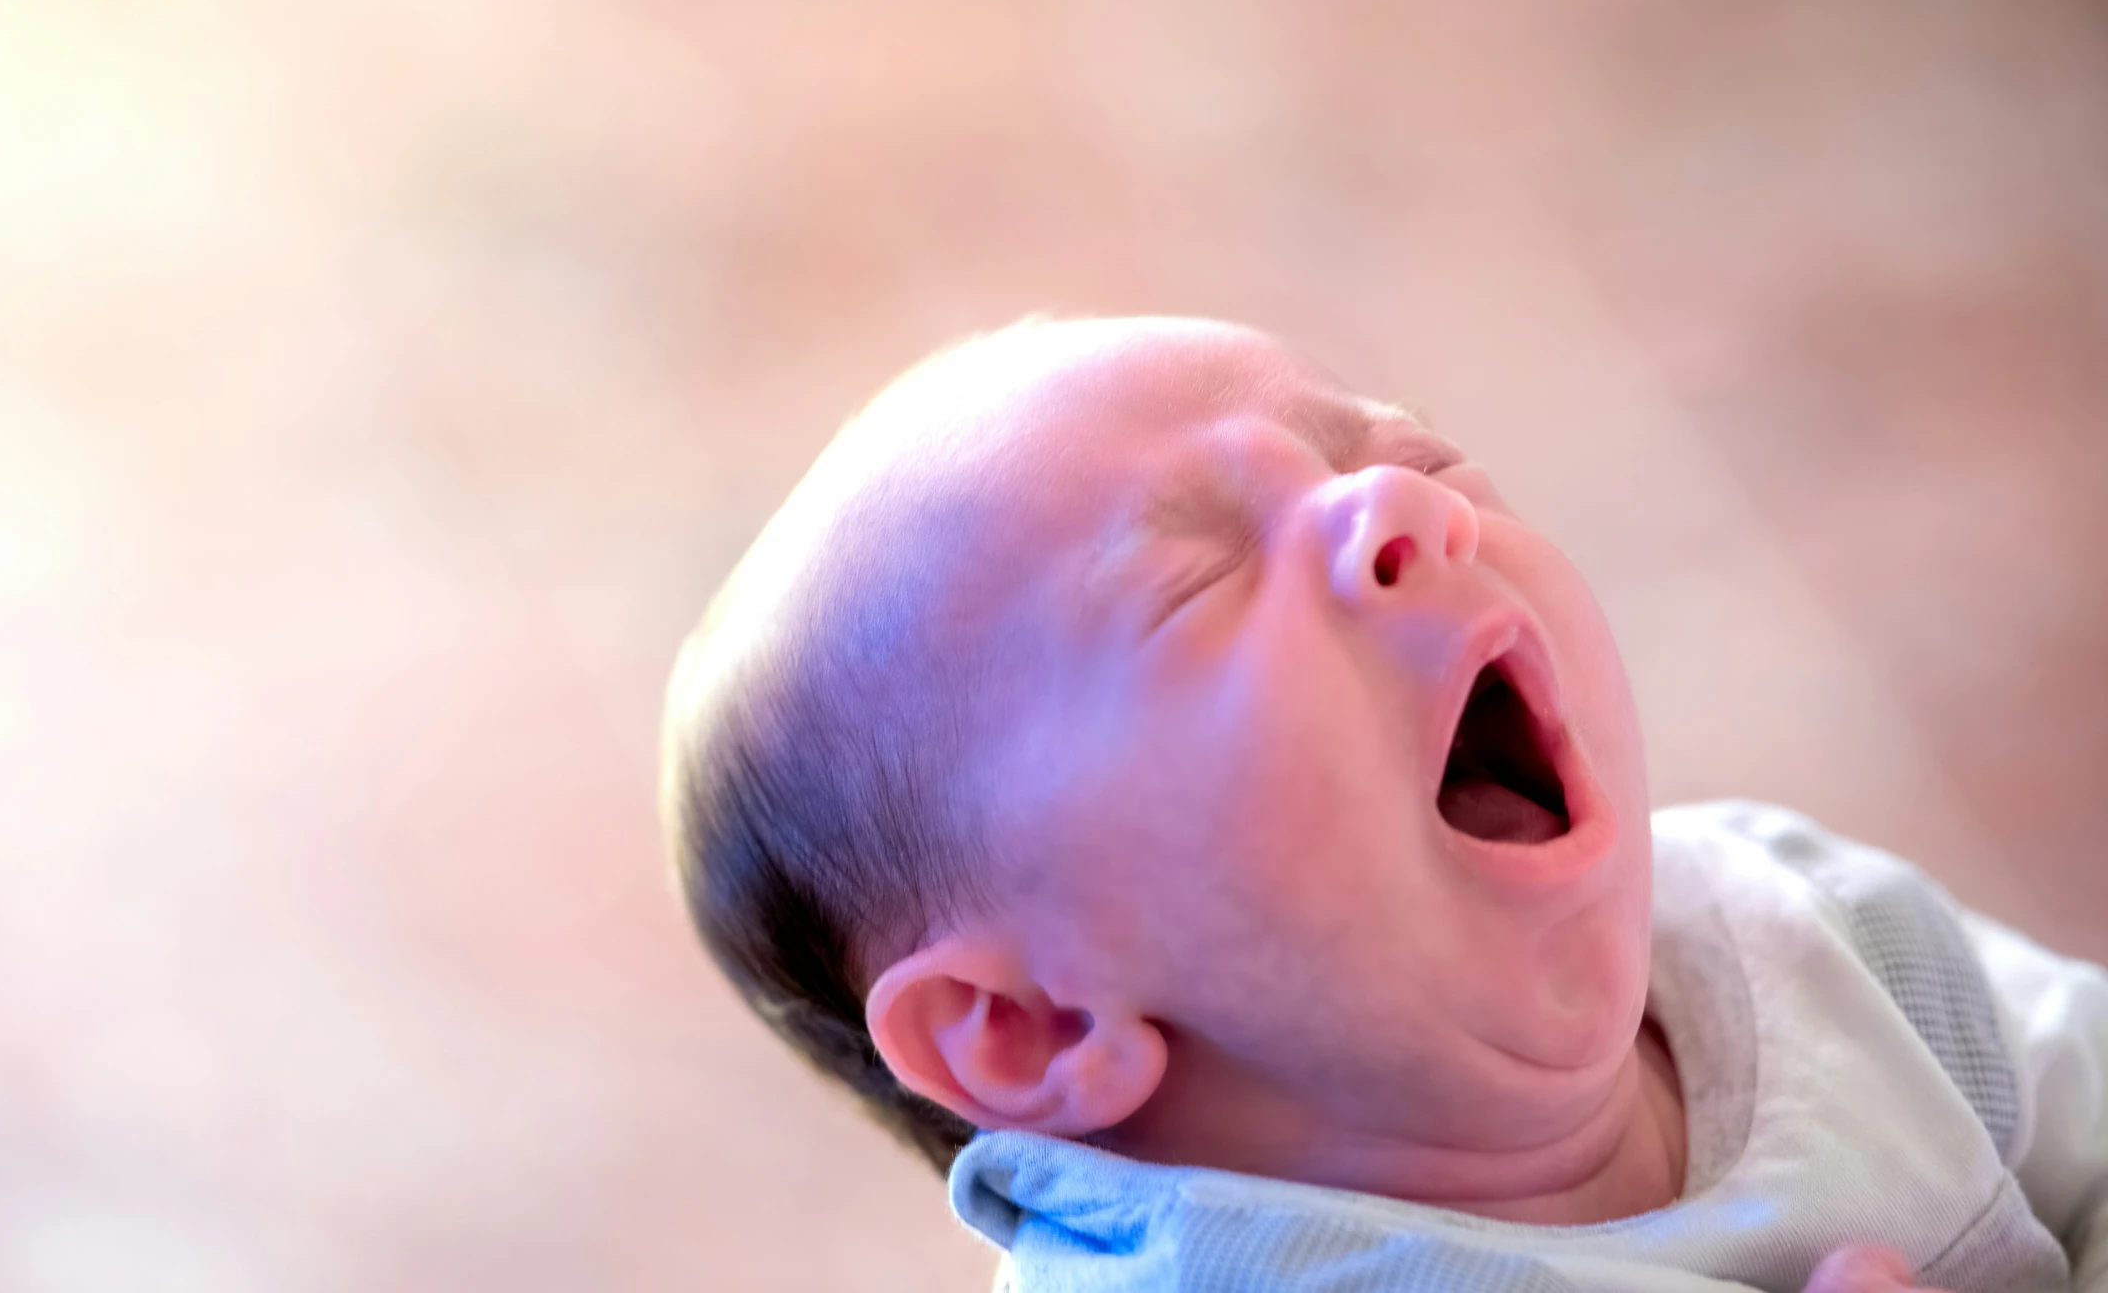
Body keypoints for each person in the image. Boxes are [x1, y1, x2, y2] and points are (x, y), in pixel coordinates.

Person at [659, 315, 2108, 1292]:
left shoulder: (1806, 933)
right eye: (1192, 586)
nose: (1399, 510)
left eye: (1398, 452)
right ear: (1037, 1021)